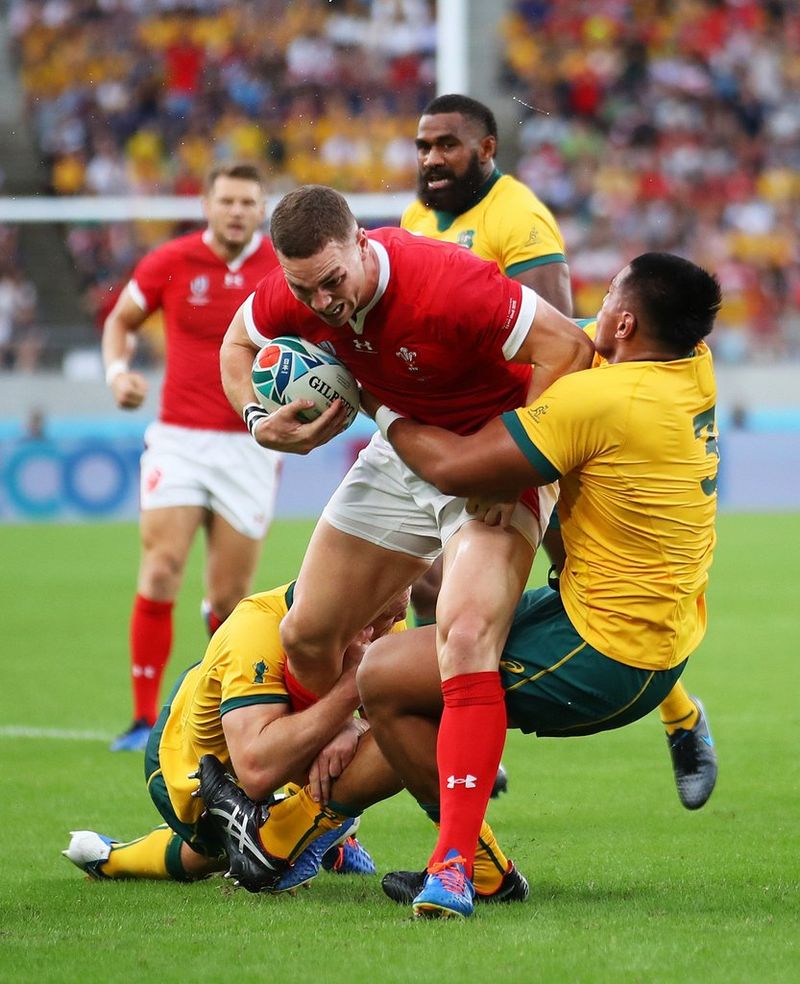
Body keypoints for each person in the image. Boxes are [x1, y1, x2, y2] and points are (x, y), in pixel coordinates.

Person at [219, 183, 593, 906]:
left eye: (333, 282)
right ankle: (335, 800)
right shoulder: (297, 290)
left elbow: (569, 349)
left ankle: (458, 865)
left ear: (364, 242)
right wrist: (257, 421)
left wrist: (516, 461)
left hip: (489, 457)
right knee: (306, 634)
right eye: (306, 289)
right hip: (400, 450)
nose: (322, 302)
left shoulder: (448, 284)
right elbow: (238, 344)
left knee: (465, 635)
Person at [352, 252, 721, 916]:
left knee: (383, 677)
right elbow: (571, 343)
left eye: (608, 299)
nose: (595, 310)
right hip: (649, 630)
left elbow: (455, 468)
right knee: (426, 664)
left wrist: (371, 395)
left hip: (607, 657)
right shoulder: (692, 365)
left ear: (626, 324)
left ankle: (467, 866)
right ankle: (331, 822)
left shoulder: (599, 401)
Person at [401, 94, 716, 813]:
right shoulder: (419, 217)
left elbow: (560, 340)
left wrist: (515, 468)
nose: (431, 159)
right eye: (423, 146)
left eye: (446, 145)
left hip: (529, 436)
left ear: (485, 149)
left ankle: (671, 715)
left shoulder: (520, 219)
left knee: (560, 585)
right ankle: (462, 731)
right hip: (469, 422)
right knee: (431, 588)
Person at [101, 162, 282, 752]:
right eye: (226, 200)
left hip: (251, 441)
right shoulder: (171, 260)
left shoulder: (281, 267)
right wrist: (118, 372)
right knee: (160, 568)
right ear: (206, 204)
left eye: (247, 202)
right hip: (178, 439)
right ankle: (141, 719)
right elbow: (121, 320)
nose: (236, 211)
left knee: (230, 599)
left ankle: (216, 716)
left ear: (262, 209)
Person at [62, 581, 406, 887]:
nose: (388, 627)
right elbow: (256, 770)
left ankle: (311, 833)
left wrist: (354, 725)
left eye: (396, 616)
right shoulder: (255, 627)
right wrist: (348, 695)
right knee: (221, 847)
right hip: (191, 763)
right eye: (381, 617)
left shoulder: (384, 615)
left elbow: (392, 718)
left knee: (402, 732)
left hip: (280, 737)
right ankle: (114, 860)